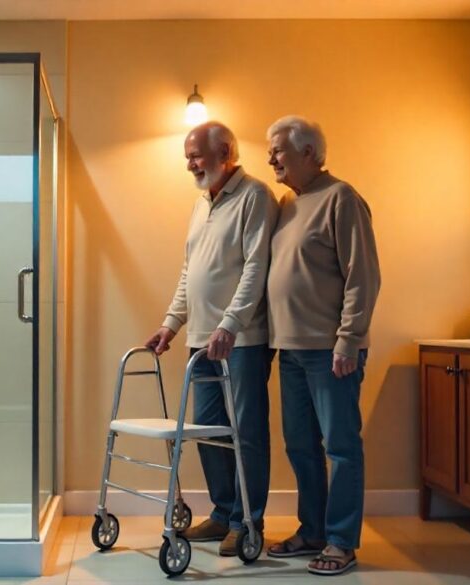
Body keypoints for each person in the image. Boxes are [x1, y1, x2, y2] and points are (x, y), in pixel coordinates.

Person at [146, 121, 278, 557]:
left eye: (196, 155)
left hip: (240, 340)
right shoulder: (201, 204)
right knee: (207, 432)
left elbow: (256, 267)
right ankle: (222, 514)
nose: (190, 165)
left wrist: (230, 324)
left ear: (224, 150)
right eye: (187, 157)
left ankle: (247, 521)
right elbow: (191, 272)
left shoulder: (255, 196)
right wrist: (171, 324)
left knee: (246, 432)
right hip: (201, 341)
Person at [264, 115, 380, 576]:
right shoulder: (289, 203)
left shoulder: (342, 198)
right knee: (300, 446)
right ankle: (312, 529)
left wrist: (348, 340)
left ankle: (341, 541)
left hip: (331, 350)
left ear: (309, 152)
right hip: (289, 349)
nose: (270, 157)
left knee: (341, 447)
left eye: (278, 149)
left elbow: (363, 276)